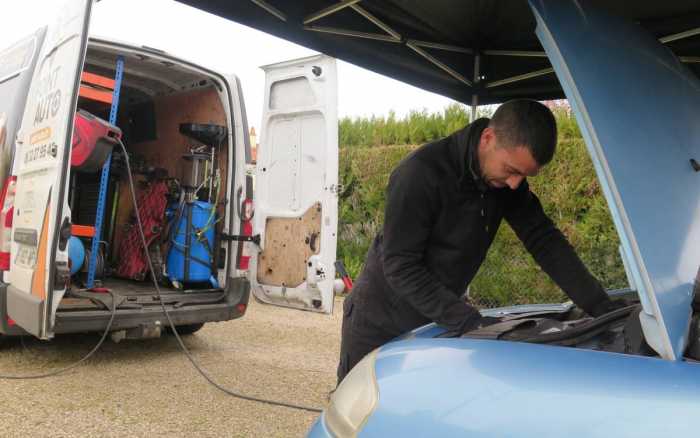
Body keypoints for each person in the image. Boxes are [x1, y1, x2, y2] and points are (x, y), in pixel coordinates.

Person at [337, 99, 621, 383]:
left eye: (524, 175)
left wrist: (601, 307)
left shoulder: (505, 183)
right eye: (511, 170)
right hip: (378, 322)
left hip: (434, 320)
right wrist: (470, 322)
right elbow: (400, 266)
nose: (514, 184)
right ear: (488, 138)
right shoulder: (421, 173)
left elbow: (543, 240)